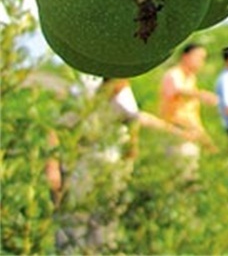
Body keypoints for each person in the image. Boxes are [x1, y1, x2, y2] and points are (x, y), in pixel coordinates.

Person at [46, 78, 193, 253]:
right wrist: (52, 167)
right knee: (74, 223)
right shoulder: (85, 95)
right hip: (83, 167)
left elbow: (134, 121)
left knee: (104, 225)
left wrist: (131, 153)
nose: (123, 85)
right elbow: (57, 129)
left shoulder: (123, 96)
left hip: (110, 170)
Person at [159, 43, 218, 168]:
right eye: (198, 57)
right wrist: (201, 95)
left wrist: (205, 139)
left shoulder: (191, 79)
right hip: (175, 130)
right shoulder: (173, 74)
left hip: (190, 132)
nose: (201, 62)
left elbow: (192, 114)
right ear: (185, 56)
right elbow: (178, 90)